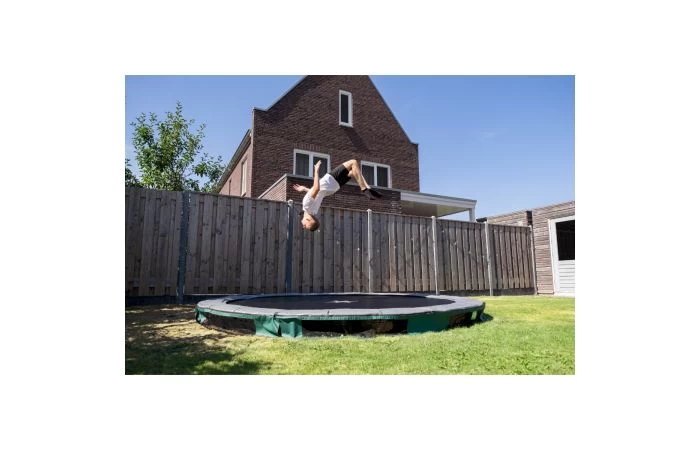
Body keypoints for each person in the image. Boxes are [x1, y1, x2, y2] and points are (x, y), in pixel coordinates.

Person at [293, 159, 382, 231]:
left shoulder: (313, 211)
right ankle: (365, 189)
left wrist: (304, 189)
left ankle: (368, 188)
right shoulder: (307, 205)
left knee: (353, 172)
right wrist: (316, 171)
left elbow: (318, 194)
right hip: (330, 180)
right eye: (305, 226)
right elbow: (316, 189)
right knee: (353, 162)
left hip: (334, 187)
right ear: (308, 219)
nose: (303, 226)